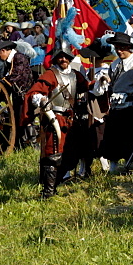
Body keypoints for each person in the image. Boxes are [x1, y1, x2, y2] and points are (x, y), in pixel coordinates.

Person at [22, 50, 93, 198]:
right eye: (60, 57)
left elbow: (86, 87)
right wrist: (41, 100)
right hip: (54, 118)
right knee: (53, 152)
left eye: (66, 57)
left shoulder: (75, 75)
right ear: (55, 59)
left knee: (70, 152)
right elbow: (35, 92)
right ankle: (48, 191)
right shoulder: (50, 74)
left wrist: (99, 83)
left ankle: (59, 181)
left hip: (71, 119)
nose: (63, 60)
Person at [98, 32, 133, 172]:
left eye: (122, 47)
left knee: (130, 140)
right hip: (116, 107)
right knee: (113, 140)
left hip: (131, 108)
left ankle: (130, 168)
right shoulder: (115, 64)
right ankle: (113, 168)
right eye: (117, 47)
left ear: (129, 47)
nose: (119, 50)